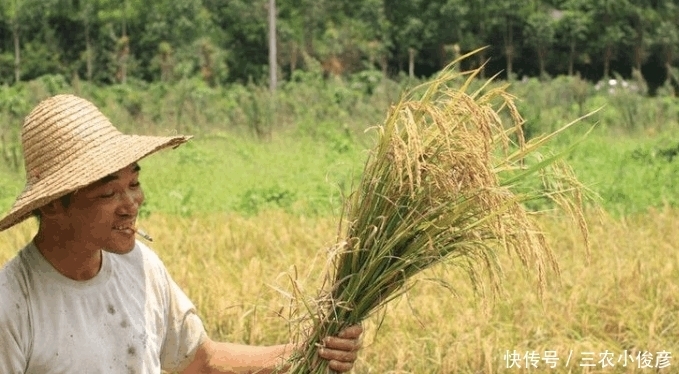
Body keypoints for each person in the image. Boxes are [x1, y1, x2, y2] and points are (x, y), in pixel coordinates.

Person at [0, 94, 363, 373]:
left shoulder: (141, 268)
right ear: (51, 205)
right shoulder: (13, 306)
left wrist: (310, 350)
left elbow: (200, 360)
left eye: (135, 182)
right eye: (109, 193)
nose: (132, 203)